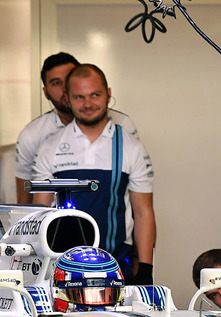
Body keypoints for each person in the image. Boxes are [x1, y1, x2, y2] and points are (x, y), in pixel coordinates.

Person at [33, 64, 156, 285]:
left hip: (118, 266)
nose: (88, 104)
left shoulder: (131, 147)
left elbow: (143, 212)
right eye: (79, 97)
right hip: (62, 270)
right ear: (68, 99)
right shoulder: (49, 148)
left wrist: (145, 268)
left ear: (108, 94)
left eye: (95, 95)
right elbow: (39, 215)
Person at [14, 52, 139, 206]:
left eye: (69, 78)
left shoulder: (123, 125)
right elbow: (25, 202)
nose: (65, 88)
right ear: (45, 92)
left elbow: (136, 197)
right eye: (56, 83)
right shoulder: (31, 135)